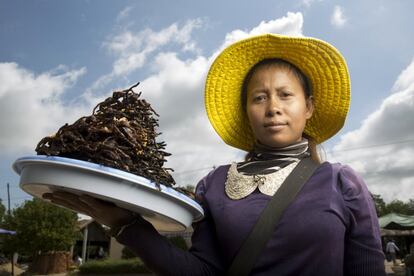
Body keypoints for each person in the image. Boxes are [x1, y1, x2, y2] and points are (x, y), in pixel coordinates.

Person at [43, 34, 386, 275]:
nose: (273, 108)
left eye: (285, 95)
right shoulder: (215, 183)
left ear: (308, 107)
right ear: (246, 111)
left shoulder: (342, 182)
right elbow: (203, 271)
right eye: (259, 98)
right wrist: (124, 224)